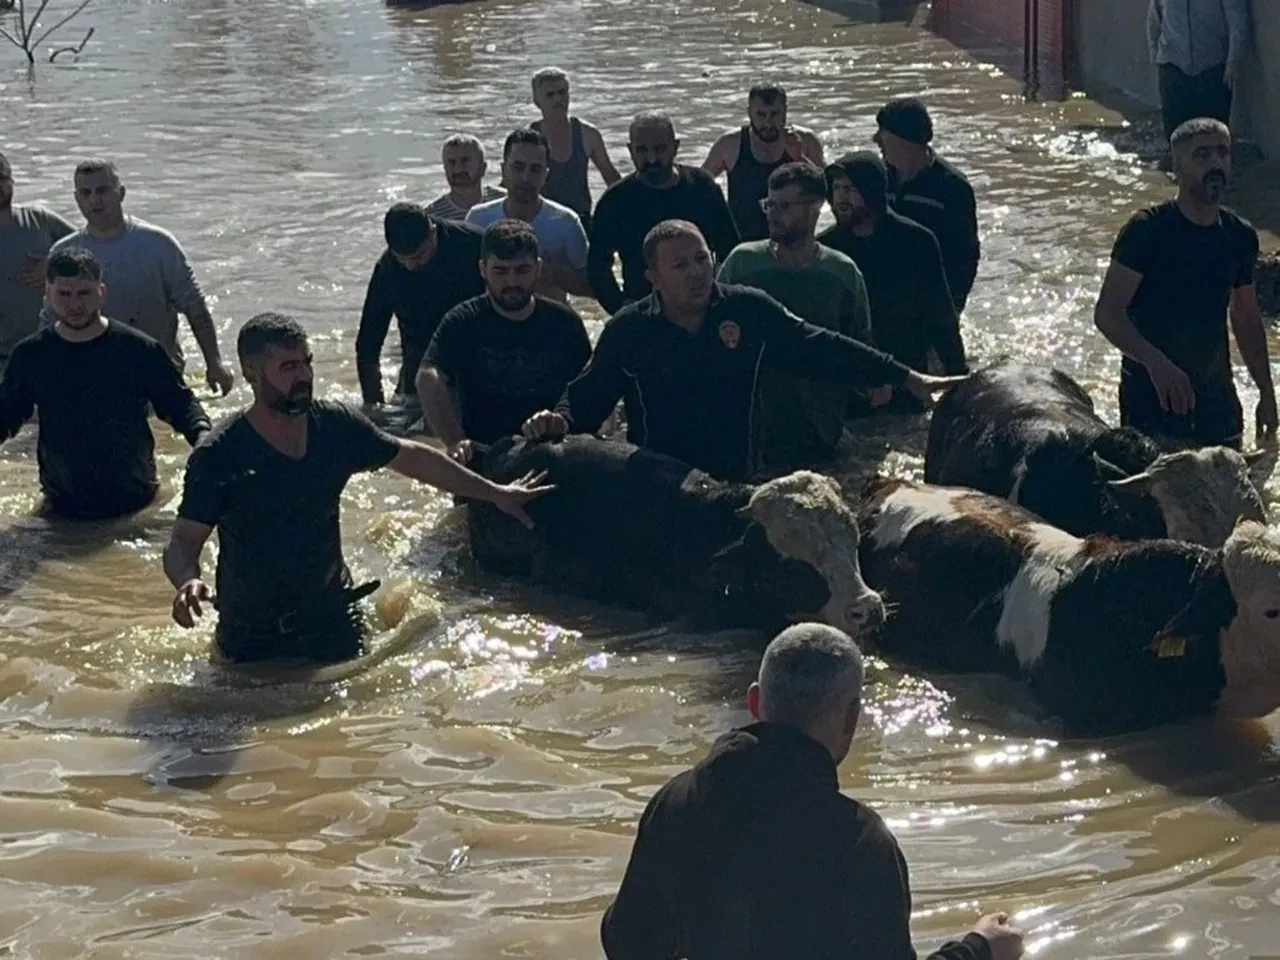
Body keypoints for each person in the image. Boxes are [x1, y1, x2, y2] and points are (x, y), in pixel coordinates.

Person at [600, 622, 1026, 960]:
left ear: (754, 703)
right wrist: (980, 949)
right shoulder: (860, 840)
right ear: (851, 720)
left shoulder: (677, 802)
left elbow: (626, 944)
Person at [164, 312, 553, 665]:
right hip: (252, 636)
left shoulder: (334, 426)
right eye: (288, 367)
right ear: (252, 373)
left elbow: (413, 458)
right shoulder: (219, 454)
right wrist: (187, 581)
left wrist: (495, 492)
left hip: (332, 618)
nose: (303, 377)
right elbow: (183, 542)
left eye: (307, 363)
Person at [524, 220, 963, 482]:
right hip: (659, 484)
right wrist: (557, 419)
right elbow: (589, 395)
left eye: (702, 259)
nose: (697, 273)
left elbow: (819, 346)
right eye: (680, 266)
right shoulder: (631, 329)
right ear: (653, 277)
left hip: (739, 478)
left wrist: (905, 376)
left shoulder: (745, 310)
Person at [1095, 117, 1277, 449]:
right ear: (1177, 165)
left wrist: (1266, 391)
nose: (1216, 164)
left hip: (1216, 400)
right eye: (1202, 155)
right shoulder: (1146, 231)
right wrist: (1155, 362)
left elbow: (1246, 318)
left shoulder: (1239, 236)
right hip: (1153, 401)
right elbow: (1108, 313)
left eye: (1223, 153)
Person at [0, 248, 210, 520]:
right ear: (48, 295)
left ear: (102, 292)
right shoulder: (31, 356)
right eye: (64, 294)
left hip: (136, 503)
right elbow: (7, 415)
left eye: (84, 293)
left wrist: (205, 439)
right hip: (62, 505)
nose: (74, 304)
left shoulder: (138, 348)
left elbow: (180, 406)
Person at [717, 162, 872, 471]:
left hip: (820, 428)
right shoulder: (742, 263)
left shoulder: (842, 272)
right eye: (769, 204)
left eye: (784, 205)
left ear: (816, 207)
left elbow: (859, 345)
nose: (773, 213)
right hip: (753, 430)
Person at [46, 159, 235, 394]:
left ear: (121, 193)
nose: (95, 200)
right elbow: (50, 319)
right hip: (91, 376)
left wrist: (214, 362)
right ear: (77, 199)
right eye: (86, 193)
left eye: (103, 190)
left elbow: (194, 307)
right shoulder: (63, 252)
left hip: (159, 372)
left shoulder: (158, 244)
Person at [418, 219, 591, 464]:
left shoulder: (565, 323)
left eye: (522, 270)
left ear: (538, 269)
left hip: (551, 449)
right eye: (500, 271)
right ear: (482, 269)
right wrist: (454, 440)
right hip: (483, 452)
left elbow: (590, 386)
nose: (511, 282)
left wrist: (568, 421)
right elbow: (428, 375)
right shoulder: (462, 321)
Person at [819, 151, 967, 392]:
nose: (840, 198)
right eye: (836, 188)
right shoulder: (826, 248)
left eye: (850, 189)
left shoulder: (917, 241)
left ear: (872, 191)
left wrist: (959, 380)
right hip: (851, 380)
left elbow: (941, 316)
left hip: (908, 372)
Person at [589, 113, 740, 314]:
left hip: (702, 308)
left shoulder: (702, 189)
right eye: (642, 150)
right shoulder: (615, 201)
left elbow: (729, 252)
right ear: (630, 150)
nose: (651, 159)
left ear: (675, 147)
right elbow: (598, 267)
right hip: (644, 312)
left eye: (659, 149)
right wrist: (621, 308)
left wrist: (721, 302)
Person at [355, 202, 485, 409]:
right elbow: (368, 346)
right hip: (418, 363)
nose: (410, 266)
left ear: (433, 232)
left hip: (476, 355)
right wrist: (374, 405)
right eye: (402, 259)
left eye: (418, 256)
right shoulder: (388, 269)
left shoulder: (474, 245)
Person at [874, 98, 980, 313]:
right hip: (883, 296)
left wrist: (951, 310)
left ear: (904, 141)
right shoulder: (876, 177)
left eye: (882, 132)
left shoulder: (952, 187)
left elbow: (965, 257)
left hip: (931, 299)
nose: (875, 138)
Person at [465, 128, 591, 302]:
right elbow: (463, 279)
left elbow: (593, 287)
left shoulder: (566, 223)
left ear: (546, 175)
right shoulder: (478, 219)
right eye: (518, 167)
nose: (525, 177)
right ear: (503, 169)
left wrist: (549, 273)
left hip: (550, 321)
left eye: (535, 169)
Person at [702, 83, 825, 243]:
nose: (768, 123)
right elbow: (700, 186)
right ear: (749, 113)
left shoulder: (806, 141)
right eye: (761, 114)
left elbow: (829, 189)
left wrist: (800, 158)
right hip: (743, 244)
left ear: (785, 111)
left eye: (774, 114)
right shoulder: (729, 145)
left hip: (795, 241)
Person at [0, 151, 75, 377]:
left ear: (12, 180)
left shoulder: (39, 219)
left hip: (54, 349)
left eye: (1, 178)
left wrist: (54, 265)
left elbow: (93, 248)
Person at [529, 67, 622, 232]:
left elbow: (611, 178)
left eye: (562, 92)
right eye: (550, 95)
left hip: (581, 220)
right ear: (537, 101)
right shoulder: (529, 137)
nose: (558, 99)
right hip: (541, 221)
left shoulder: (588, 134)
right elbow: (512, 184)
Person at [1148, 0, 1250, 144]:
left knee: (1213, 137)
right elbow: (1154, 19)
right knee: (1176, 139)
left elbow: (1237, 20)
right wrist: (1156, 56)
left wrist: (1233, 61)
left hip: (1212, 69)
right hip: (1173, 67)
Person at [425, 135, 506, 222]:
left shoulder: (506, 203)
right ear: (444, 168)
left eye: (465, 161)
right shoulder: (432, 217)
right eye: (451, 162)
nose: (458, 169)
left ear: (483, 168)